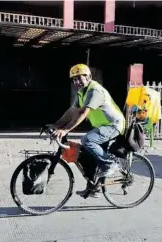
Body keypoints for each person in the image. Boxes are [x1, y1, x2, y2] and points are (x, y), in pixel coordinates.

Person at [50, 63, 125, 195]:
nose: (77, 81)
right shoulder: (81, 93)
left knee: (87, 140)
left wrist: (65, 130)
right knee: (89, 156)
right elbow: (72, 111)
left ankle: (109, 164)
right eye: (74, 79)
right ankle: (93, 187)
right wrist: (56, 125)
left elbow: (83, 112)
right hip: (102, 126)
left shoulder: (94, 90)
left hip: (114, 125)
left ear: (89, 77)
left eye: (80, 77)